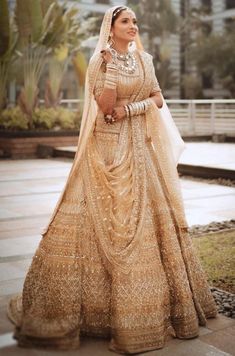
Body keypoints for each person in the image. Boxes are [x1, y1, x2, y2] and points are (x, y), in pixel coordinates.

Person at [7, 5, 217, 354]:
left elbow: (158, 100)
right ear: (112, 28)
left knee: (150, 222)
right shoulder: (99, 62)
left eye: (134, 21)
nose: (133, 26)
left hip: (140, 151)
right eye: (125, 21)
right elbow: (105, 108)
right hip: (105, 153)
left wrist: (130, 109)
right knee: (101, 220)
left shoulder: (146, 60)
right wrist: (110, 69)